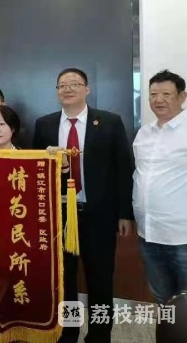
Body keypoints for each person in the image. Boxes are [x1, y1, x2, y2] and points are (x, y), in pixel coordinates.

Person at [33, 68, 133, 343]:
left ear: (87, 89)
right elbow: (38, 172)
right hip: (61, 215)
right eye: (62, 85)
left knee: (100, 279)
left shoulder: (109, 122)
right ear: (56, 91)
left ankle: (100, 336)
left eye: (74, 84)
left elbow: (123, 169)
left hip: (98, 215)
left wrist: (125, 213)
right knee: (64, 281)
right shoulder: (45, 125)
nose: (68, 89)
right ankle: (69, 332)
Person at [133, 70, 187, 305]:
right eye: (153, 94)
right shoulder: (144, 133)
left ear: (182, 97)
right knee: (162, 298)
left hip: (182, 234)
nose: (158, 100)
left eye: (166, 94)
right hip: (149, 232)